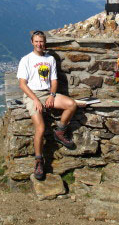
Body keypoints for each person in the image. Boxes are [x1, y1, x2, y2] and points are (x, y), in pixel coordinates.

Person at [17, 30, 77, 181]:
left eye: (41, 41)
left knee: (71, 104)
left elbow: (54, 81)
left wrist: (52, 95)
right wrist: (36, 100)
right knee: (41, 128)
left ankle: (60, 131)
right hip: (32, 95)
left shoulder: (50, 59)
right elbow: (22, 84)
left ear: (45, 43)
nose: (39, 44)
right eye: (36, 41)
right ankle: (38, 161)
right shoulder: (26, 60)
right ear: (32, 42)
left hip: (47, 94)